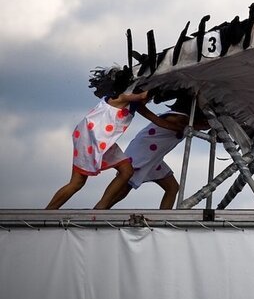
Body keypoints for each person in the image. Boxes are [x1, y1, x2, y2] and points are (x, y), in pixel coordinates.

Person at [45, 66, 180, 209]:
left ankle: (100, 208)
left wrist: (183, 129)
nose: (149, 100)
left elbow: (157, 120)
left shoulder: (133, 104)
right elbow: (142, 96)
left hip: (103, 141)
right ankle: (48, 212)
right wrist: (163, 79)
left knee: (127, 171)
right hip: (91, 138)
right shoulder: (121, 96)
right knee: (77, 183)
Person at [107, 95, 208, 209]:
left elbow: (201, 126)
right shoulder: (178, 117)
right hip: (142, 153)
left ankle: (163, 216)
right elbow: (184, 124)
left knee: (172, 188)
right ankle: (101, 208)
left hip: (154, 158)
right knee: (124, 188)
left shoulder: (186, 120)